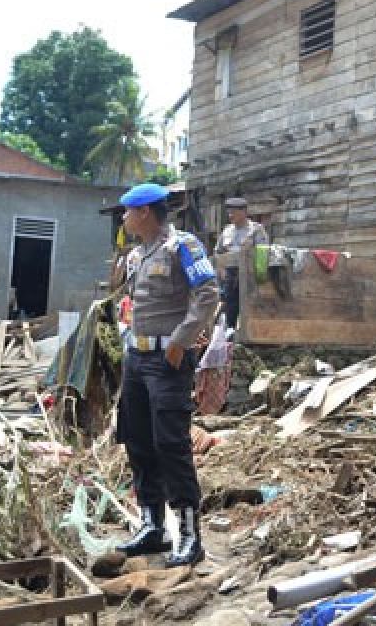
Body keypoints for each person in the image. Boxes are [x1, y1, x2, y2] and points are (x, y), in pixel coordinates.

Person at [115, 182, 220, 565]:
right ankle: (151, 526)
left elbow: (208, 292)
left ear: (144, 212)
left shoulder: (183, 246)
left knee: (170, 444)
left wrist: (182, 339)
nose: (124, 218)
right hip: (137, 360)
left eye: (127, 211)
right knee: (138, 441)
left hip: (167, 361)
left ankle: (190, 535)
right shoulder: (137, 254)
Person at [212, 196, 269, 329]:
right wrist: (220, 271)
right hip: (230, 277)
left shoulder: (256, 230)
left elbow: (263, 253)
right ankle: (231, 337)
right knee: (231, 309)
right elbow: (217, 253)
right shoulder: (227, 231)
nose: (230, 215)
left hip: (249, 276)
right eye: (229, 212)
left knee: (250, 309)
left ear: (243, 212)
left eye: (234, 212)